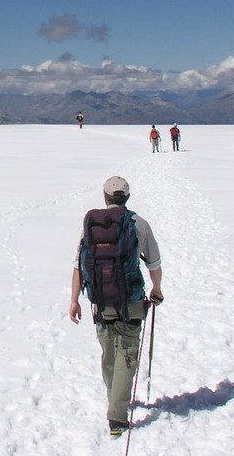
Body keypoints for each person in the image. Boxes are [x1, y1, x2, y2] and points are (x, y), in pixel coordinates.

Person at [69, 176, 164, 436]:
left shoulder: (91, 225)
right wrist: (156, 289)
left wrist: (74, 300)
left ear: (105, 197)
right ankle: (118, 417)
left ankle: (115, 398)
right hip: (131, 300)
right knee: (126, 355)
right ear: (127, 197)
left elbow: (79, 264)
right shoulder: (139, 224)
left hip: (100, 301)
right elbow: (153, 263)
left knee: (109, 353)